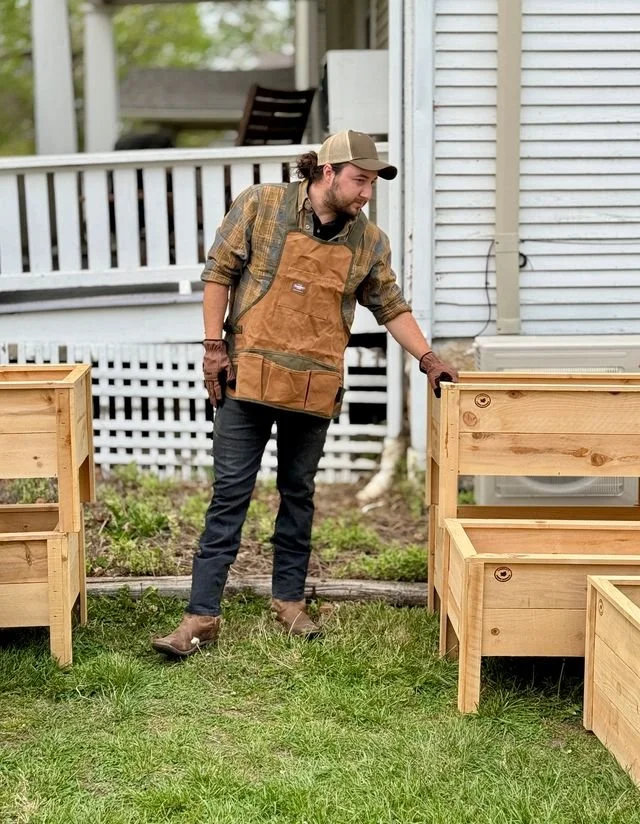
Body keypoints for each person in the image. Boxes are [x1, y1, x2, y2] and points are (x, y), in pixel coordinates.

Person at [152, 129, 458, 657]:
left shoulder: (369, 241)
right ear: (325, 171)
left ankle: (289, 603)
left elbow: (390, 306)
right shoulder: (261, 204)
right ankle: (201, 616)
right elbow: (218, 274)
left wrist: (428, 360)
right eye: (359, 180)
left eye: (372, 184)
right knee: (229, 496)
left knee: (299, 495)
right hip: (247, 377)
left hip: (315, 388)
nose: (366, 193)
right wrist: (212, 347)